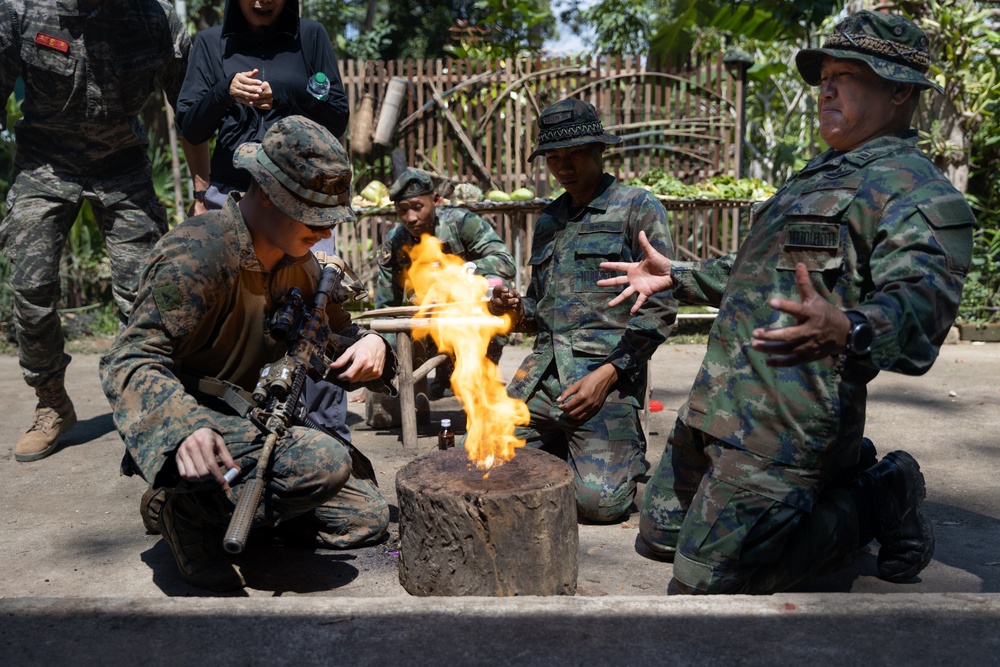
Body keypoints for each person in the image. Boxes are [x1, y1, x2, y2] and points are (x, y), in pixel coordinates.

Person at [599, 10, 974, 594]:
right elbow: (763, 272)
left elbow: (922, 304)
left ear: (900, 90)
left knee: (711, 578)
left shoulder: (915, 189)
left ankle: (880, 493)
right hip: (719, 404)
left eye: (847, 74)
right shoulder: (820, 174)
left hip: (790, 424)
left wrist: (850, 326)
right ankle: (844, 475)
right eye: (823, 73)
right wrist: (678, 275)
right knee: (660, 536)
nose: (826, 86)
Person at [100, 116, 396, 592]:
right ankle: (187, 510)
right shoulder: (198, 254)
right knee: (321, 462)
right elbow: (131, 357)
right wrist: (183, 427)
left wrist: (373, 345)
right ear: (265, 193)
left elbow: (340, 334)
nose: (324, 232)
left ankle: (199, 506)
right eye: (310, 214)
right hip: (198, 423)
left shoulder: (299, 264)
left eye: (328, 217)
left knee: (365, 516)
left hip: (260, 425)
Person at [0, 0, 206, 462]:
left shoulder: (154, 18)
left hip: (122, 165)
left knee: (145, 297)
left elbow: (189, 107)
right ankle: (52, 402)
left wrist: (201, 190)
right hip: (44, 165)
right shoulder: (21, 12)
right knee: (31, 292)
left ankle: (145, 403)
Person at [488, 99, 677, 523]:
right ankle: (568, 452)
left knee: (598, 505)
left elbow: (661, 310)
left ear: (599, 150)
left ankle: (614, 461)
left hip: (602, 380)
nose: (564, 167)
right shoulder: (549, 219)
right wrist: (514, 309)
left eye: (574, 154)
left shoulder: (637, 207)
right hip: (541, 376)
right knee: (480, 463)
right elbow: (539, 310)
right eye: (554, 158)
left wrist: (608, 375)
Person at [175, 0, 352, 442]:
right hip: (232, 199)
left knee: (315, 316)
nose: (260, 2)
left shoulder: (310, 36)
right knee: (231, 319)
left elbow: (337, 113)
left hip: (302, 202)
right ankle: (228, 429)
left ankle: (326, 435)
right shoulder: (209, 43)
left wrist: (286, 95)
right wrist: (223, 92)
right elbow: (190, 125)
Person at [365, 168, 517, 427]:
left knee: (480, 409)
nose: (411, 217)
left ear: (435, 201)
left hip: (470, 319)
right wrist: (384, 366)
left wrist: (457, 273)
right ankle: (434, 381)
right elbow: (386, 306)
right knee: (389, 417)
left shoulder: (462, 223)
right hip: (426, 323)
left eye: (417, 207)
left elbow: (506, 263)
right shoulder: (395, 243)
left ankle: (470, 385)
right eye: (403, 211)